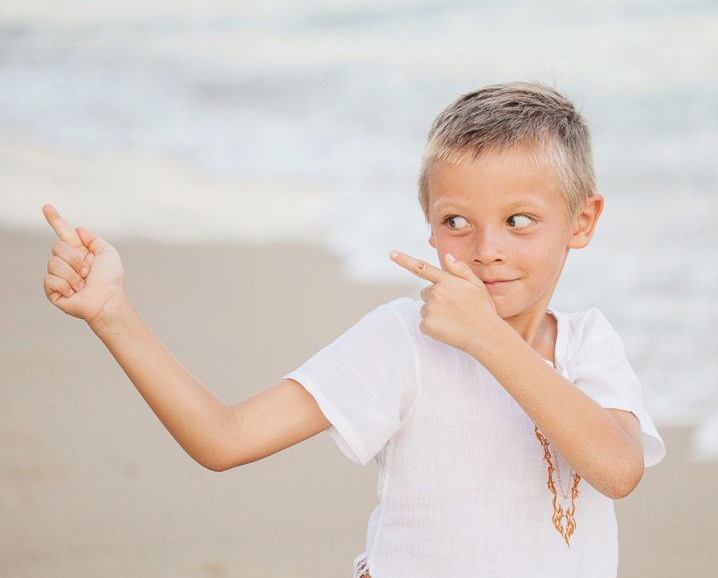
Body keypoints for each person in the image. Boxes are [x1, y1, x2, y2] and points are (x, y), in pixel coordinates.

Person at [40, 82, 664, 577]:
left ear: (582, 222)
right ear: (428, 223)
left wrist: (487, 337)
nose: (486, 249)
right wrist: (112, 313)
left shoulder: (588, 345)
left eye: (520, 219)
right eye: (456, 221)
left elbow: (617, 469)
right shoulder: (406, 339)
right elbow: (222, 439)